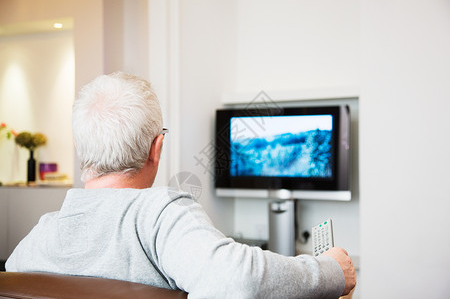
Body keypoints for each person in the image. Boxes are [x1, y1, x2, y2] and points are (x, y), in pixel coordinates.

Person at [6, 72, 356, 298]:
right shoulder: (159, 216)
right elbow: (237, 280)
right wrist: (329, 270)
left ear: (81, 150)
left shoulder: (34, 243)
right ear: (156, 148)